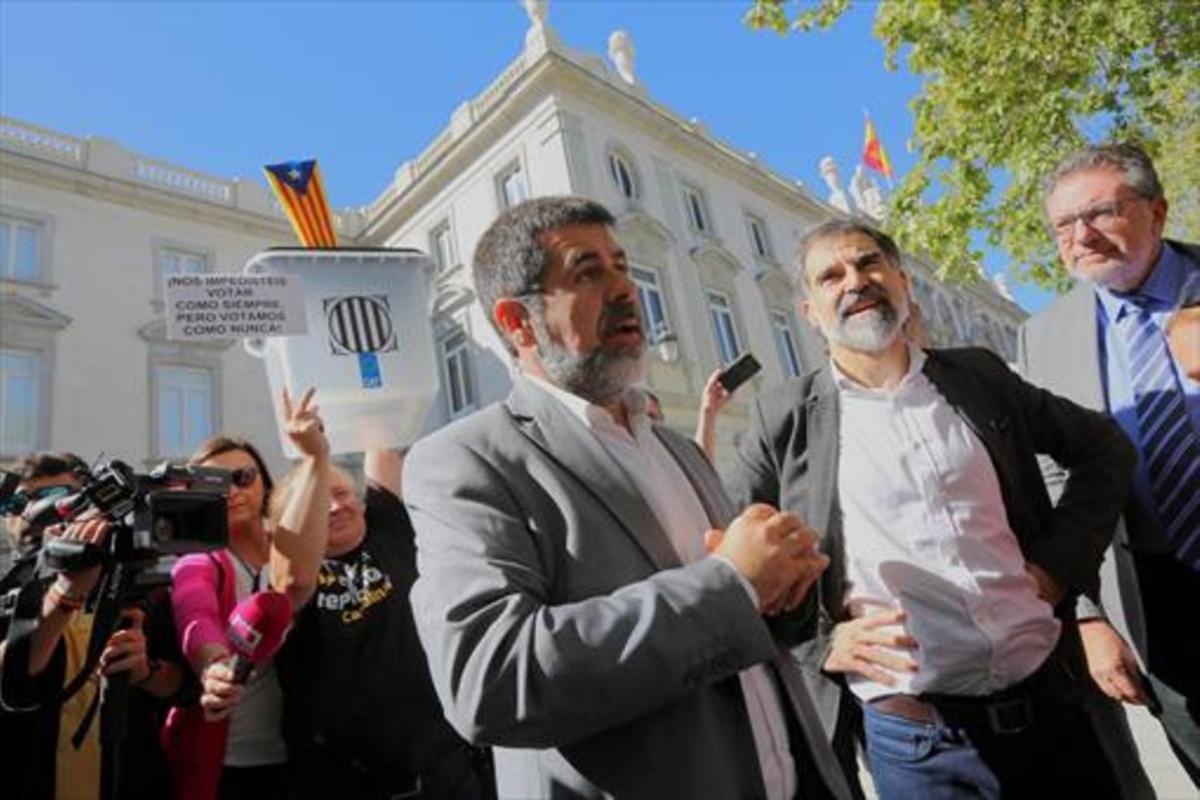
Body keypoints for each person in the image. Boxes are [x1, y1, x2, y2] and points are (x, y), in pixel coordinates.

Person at [405, 196, 853, 799]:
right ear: (518, 322)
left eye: (623, 267)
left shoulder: (680, 451)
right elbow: (490, 678)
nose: (626, 289)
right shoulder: (467, 460)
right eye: (588, 273)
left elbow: (735, 625)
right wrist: (734, 582)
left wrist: (783, 587)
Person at [724, 218, 1133, 798]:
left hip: (1053, 710)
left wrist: (1057, 566)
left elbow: (1103, 449)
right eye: (831, 275)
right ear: (810, 312)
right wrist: (816, 641)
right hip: (921, 750)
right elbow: (724, 558)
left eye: (869, 263)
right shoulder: (784, 419)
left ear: (901, 279)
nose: (855, 281)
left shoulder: (979, 377)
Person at [1020, 142, 1200, 788]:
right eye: (1064, 225)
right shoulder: (1043, 337)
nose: (1081, 236)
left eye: (1099, 212)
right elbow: (1055, 485)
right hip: (1160, 601)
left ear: (1157, 210)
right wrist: (1092, 617)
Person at [270, 444, 489, 799]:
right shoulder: (289, 582)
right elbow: (293, 579)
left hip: (438, 766)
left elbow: (381, 438)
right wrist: (314, 458)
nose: (335, 506)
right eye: (316, 504)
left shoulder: (390, 530)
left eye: (341, 493)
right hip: (341, 779)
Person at [164, 388, 329, 800]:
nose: (231, 491)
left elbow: (298, 579)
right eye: (213, 482)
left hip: (314, 754)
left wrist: (316, 457)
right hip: (230, 764)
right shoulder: (201, 562)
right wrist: (214, 667)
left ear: (264, 483)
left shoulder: (293, 540)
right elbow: (195, 613)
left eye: (242, 477)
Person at [0, 454, 187, 800]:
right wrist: (65, 594)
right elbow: (9, 680)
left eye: (64, 497)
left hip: (130, 777)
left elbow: (180, 683)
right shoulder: (8, 586)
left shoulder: (139, 577)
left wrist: (146, 673)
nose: (41, 513)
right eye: (25, 502)